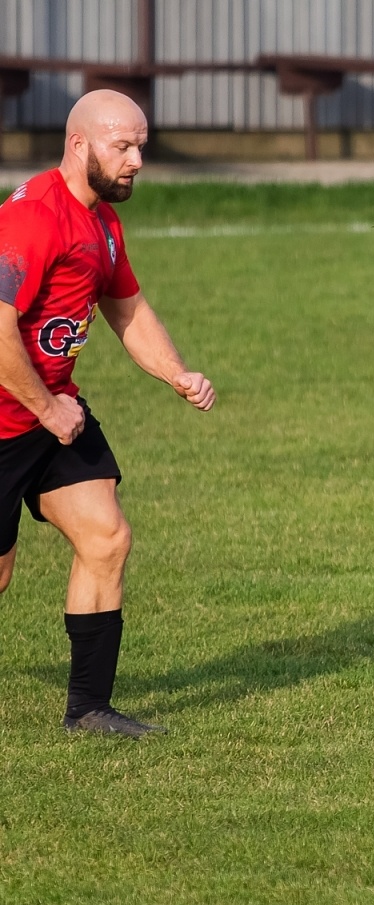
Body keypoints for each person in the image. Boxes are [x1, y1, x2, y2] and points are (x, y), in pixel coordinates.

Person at [0, 90, 216, 736]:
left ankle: (89, 709)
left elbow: (129, 311)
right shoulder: (34, 218)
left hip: (49, 415)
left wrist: (176, 373)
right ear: (79, 145)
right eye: (122, 146)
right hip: (17, 417)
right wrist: (47, 408)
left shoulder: (102, 224)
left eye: (140, 147)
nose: (136, 160)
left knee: (107, 537)